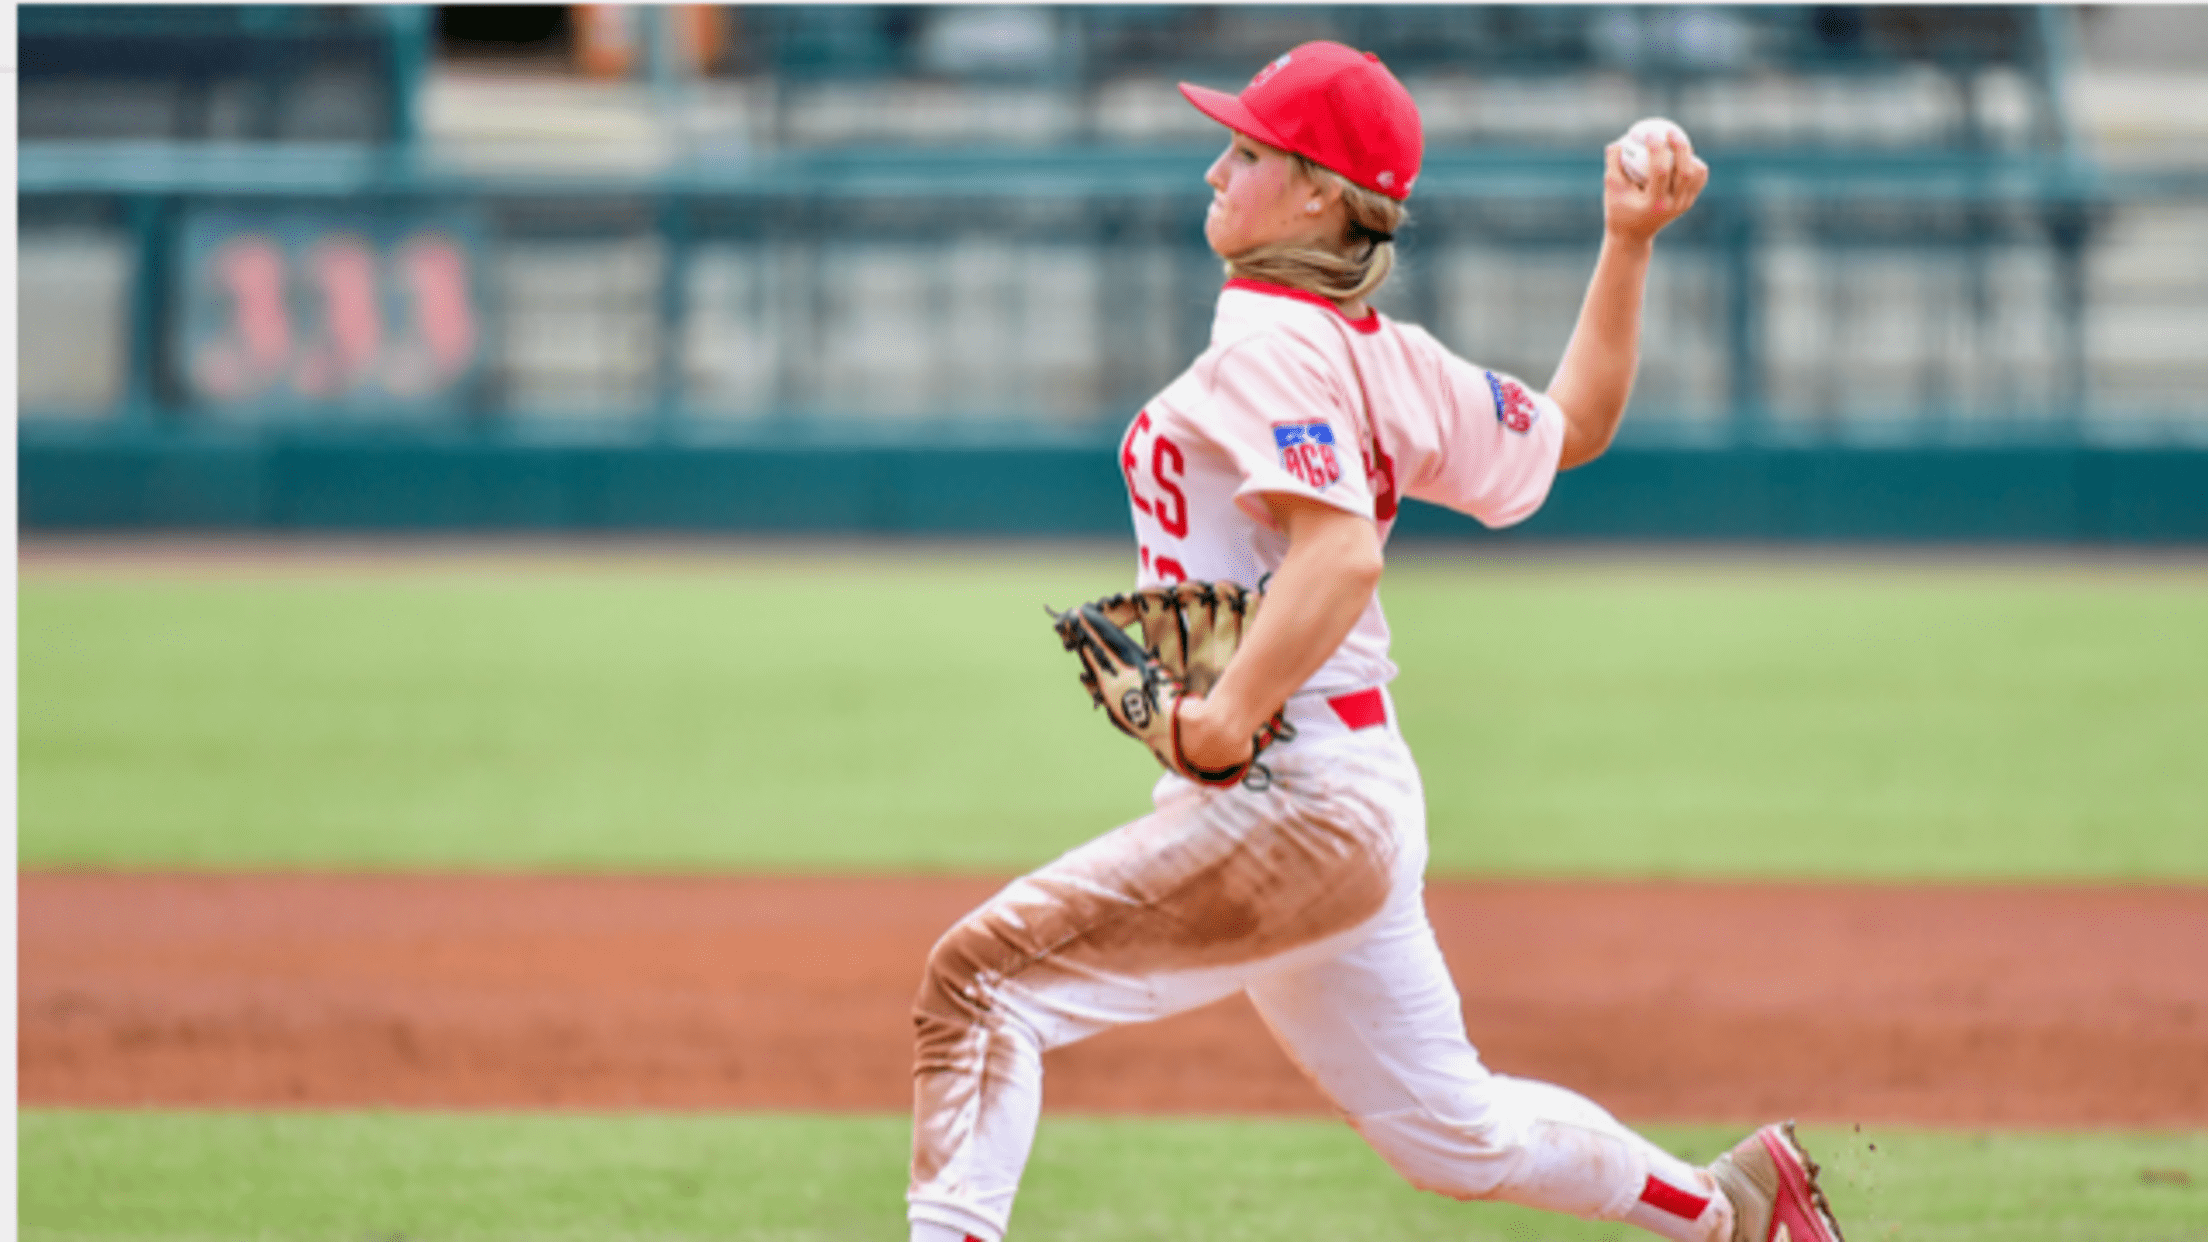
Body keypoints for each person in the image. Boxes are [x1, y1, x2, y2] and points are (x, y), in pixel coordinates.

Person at [906, 41, 1842, 1242]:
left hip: (1292, 791)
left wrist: (1226, 713)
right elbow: (1576, 427)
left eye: (1245, 151)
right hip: (1348, 790)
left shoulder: (1269, 344)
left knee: (977, 986)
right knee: (1458, 1135)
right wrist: (1628, 243)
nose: (1214, 170)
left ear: (1315, 192)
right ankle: (1734, 1211)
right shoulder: (1386, 358)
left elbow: (1341, 554)